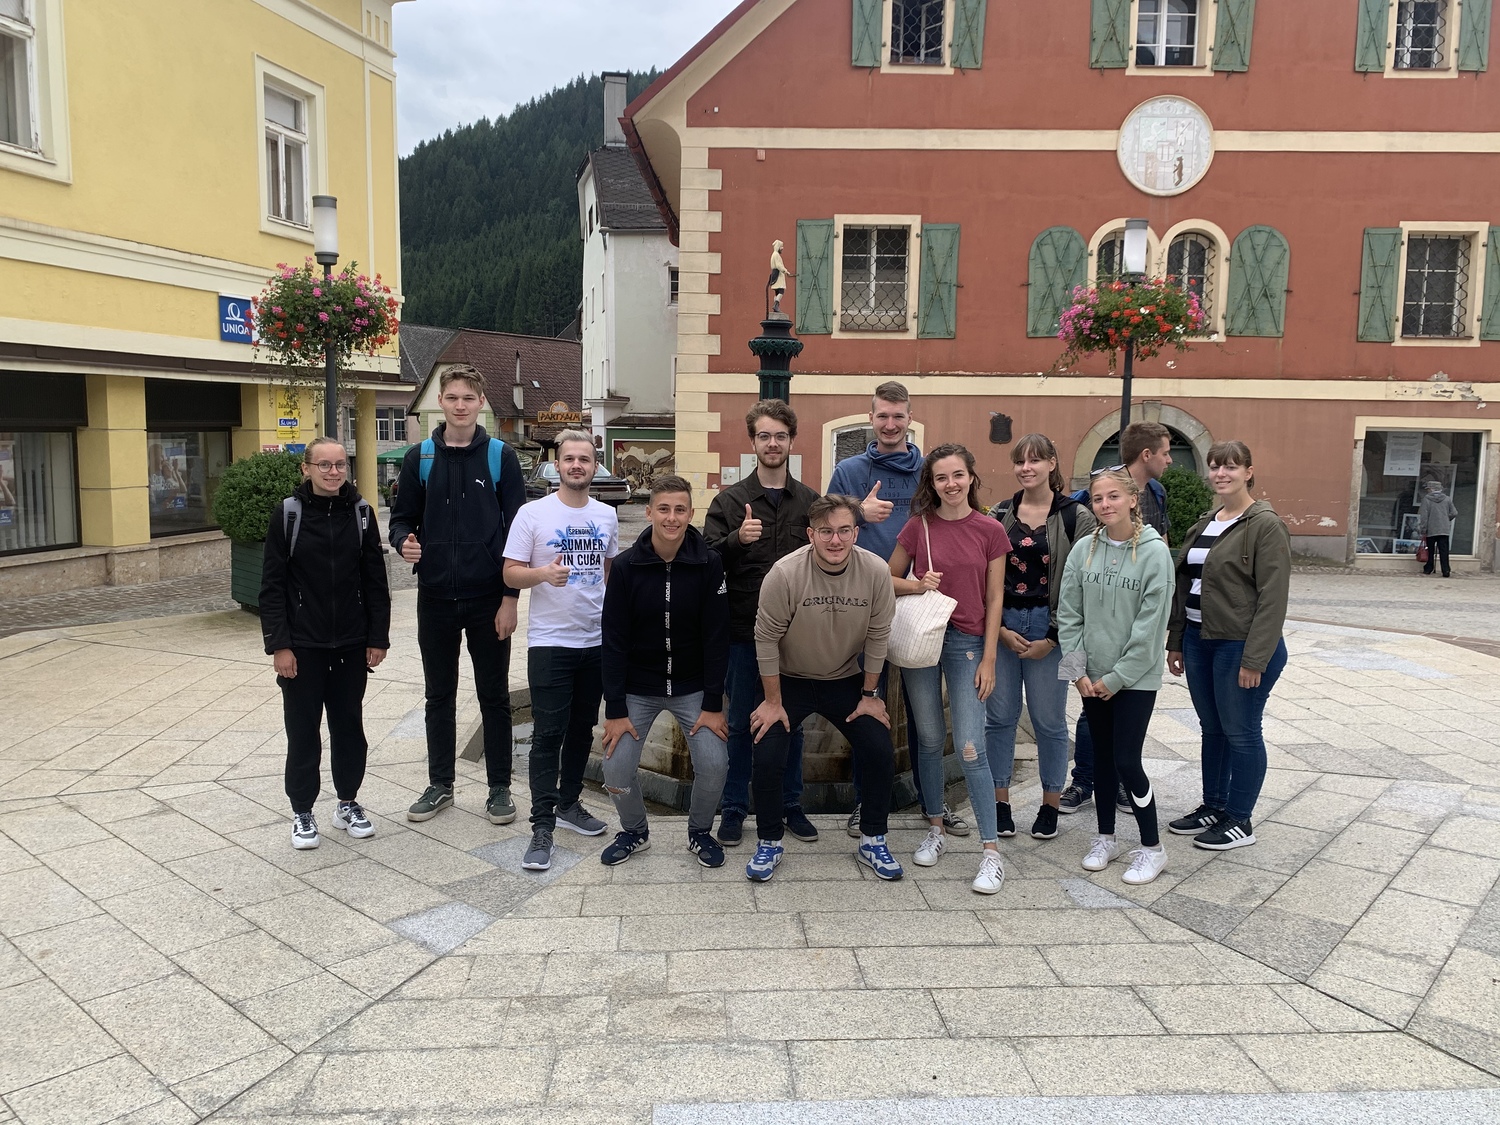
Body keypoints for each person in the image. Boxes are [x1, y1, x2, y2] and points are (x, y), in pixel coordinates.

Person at [828, 381, 967, 839]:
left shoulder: (929, 471)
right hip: (862, 603)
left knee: (925, 717)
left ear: (910, 419)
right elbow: (824, 521)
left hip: (918, 604)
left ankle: (934, 803)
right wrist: (857, 511)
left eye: (898, 416)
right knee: (865, 709)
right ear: (871, 418)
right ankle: (866, 802)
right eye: (883, 416)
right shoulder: (849, 470)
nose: (890, 424)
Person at [389, 365, 526, 826]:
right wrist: (404, 542)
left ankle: (499, 788)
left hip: (488, 598)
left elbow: (519, 533)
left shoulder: (501, 457)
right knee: (438, 696)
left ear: (481, 402)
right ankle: (440, 785)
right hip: (435, 598)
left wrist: (510, 598)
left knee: (495, 696)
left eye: (469, 397)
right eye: (452, 397)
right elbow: (401, 519)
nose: (461, 405)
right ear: (441, 402)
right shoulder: (420, 457)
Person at [748, 495, 902, 882]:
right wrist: (772, 701)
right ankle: (769, 841)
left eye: (844, 531)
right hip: (788, 680)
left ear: (856, 533)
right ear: (810, 534)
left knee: (879, 748)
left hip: (844, 679)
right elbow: (765, 639)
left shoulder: (875, 572)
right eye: (826, 531)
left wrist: (870, 696)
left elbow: (879, 636)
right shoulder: (785, 574)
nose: (836, 540)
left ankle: (873, 839)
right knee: (767, 752)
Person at [260, 436, 391, 850]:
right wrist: (280, 645)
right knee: (303, 732)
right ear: (307, 469)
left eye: (339, 465)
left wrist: (378, 638)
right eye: (324, 465)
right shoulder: (288, 514)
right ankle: (302, 810)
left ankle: (347, 802)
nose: (333, 472)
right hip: (302, 646)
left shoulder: (362, 513)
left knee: (349, 727)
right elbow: (272, 586)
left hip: (351, 643)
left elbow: (375, 581)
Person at [890, 445, 1010, 894]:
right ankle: (936, 827)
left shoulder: (990, 529)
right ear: (932, 483)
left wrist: (990, 658)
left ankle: (991, 851)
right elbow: (886, 579)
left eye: (958, 475)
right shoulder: (918, 525)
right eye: (941, 477)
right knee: (927, 738)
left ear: (971, 477)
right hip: (923, 638)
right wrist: (917, 584)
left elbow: (995, 597)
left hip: (967, 643)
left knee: (970, 746)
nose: (951, 484)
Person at [704, 400, 820, 847]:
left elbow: (830, 553)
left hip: (796, 636)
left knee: (793, 722)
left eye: (780, 436)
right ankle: (734, 807)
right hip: (743, 632)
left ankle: (791, 804)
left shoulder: (809, 502)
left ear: (792, 441)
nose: (773, 443)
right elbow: (705, 562)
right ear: (753, 441)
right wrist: (736, 540)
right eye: (765, 436)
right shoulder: (730, 501)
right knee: (738, 722)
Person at [599, 475, 730, 869]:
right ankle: (634, 830)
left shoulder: (709, 563)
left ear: (691, 514)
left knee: (715, 764)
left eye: (680, 510)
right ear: (649, 512)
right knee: (615, 770)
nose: (672, 518)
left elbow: (717, 637)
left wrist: (713, 702)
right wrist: (615, 708)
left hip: (693, 688)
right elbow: (614, 640)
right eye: (664, 509)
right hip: (638, 688)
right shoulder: (626, 567)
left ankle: (700, 831)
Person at [1166, 441, 1291, 851]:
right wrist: (1176, 640)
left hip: (1240, 645)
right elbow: (1186, 585)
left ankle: (1240, 819)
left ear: (1248, 472)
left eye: (1231, 467)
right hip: (1199, 640)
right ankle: (1214, 805)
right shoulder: (1207, 522)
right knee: (1213, 728)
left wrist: (1255, 658)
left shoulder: (1264, 525)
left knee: (1241, 731)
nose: (1221, 473)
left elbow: (1273, 598)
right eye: (1215, 466)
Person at [504, 430, 619, 871]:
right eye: (569, 458)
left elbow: (609, 573)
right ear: (557, 465)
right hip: (551, 642)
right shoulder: (533, 513)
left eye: (584, 459)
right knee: (548, 734)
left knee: (581, 728)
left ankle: (569, 804)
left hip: (595, 641)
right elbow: (510, 573)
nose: (576, 466)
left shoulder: (606, 515)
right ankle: (541, 826)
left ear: (595, 466)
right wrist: (541, 575)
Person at [1057, 468, 1175, 885]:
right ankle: (1105, 838)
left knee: (1126, 760)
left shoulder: (1155, 553)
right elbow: (1068, 615)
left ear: (1132, 500)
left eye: (1113, 496)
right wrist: (1078, 673)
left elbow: (1150, 627)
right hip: (1091, 677)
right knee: (1101, 758)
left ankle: (1152, 848)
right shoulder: (1083, 550)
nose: (1104, 504)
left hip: (1134, 679)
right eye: (1097, 498)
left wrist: (1118, 677)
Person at [987, 434, 1095, 842]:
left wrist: (1052, 637)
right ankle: (1000, 803)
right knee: (1000, 718)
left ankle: (1050, 805)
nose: (1026, 468)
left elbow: (1081, 584)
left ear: (1052, 463)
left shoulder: (1077, 516)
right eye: (1020, 461)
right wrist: (998, 629)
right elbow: (985, 577)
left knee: (1050, 721)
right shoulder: (1000, 514)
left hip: (1056, 630)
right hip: (1005, 624)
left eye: (1035, 460)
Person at [1417, 478, 1458, 578]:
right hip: (1444, 529)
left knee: (1430, 550)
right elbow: (1454, 513)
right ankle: (1445, 570)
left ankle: (1429, 568)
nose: (1427, 490)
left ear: (1431, 489)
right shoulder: (1447, 499)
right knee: (1444, 551)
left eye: (1428, 489)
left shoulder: (1426, 499)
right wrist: (1446, 519)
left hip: (1431, 529)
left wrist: (1423, 529)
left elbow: (1424, 516)